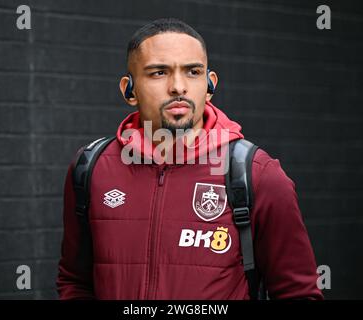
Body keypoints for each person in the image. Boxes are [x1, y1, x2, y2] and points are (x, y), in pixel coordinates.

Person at [57, 18, 323, 300]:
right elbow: (75, 280)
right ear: (129, 90)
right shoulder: (91, 169)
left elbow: (298, 293)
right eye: (159, 72)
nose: (178, 87)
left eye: (193, 72)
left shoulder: (257, 174)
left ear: (209, 85)